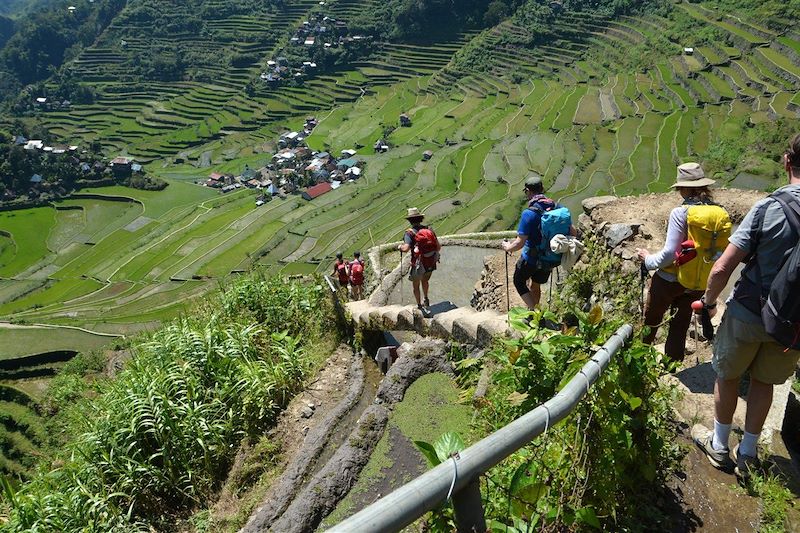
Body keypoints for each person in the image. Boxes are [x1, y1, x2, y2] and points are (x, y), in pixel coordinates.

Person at [691, 136, 800, 482]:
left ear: (786, 161)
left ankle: (720, 445)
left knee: (728, 374)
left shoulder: (769, 208)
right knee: (765, 382)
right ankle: (749, 454)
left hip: (750, 312)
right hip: (792, 325)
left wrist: (708, 303)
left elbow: (723, 267)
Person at [636, 162, 730, 363]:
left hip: (669, 280)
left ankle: (639, 363)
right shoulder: (720, 213)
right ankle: (672, 366)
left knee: (651, 321)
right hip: (697, 282)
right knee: (680, 324)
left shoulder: (681, 212)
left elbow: (671, 252)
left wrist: (648, 260)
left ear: (684, 188)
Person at [501, 176, 575, 310]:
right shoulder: (557, 207)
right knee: (536, 284)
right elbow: (573, 232)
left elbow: (519, 243)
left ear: (528, 191)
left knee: (519, 281)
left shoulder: (529, 214)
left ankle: (535, 312)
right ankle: (535, 311)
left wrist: (507, 247)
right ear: (542, 189)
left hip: (531, 259)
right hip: (550, 258)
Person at [397, 207, 440, 315]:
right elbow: (438, 247)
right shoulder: (429, 230)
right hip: (429, 262)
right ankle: (426, 298)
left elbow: (406, 248)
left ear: (410, 220)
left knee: (416, 286)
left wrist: (400, 247)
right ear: (420, 219)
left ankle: (419, 306)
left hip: (417, 264)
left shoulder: (409, 233)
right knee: (425, 281)